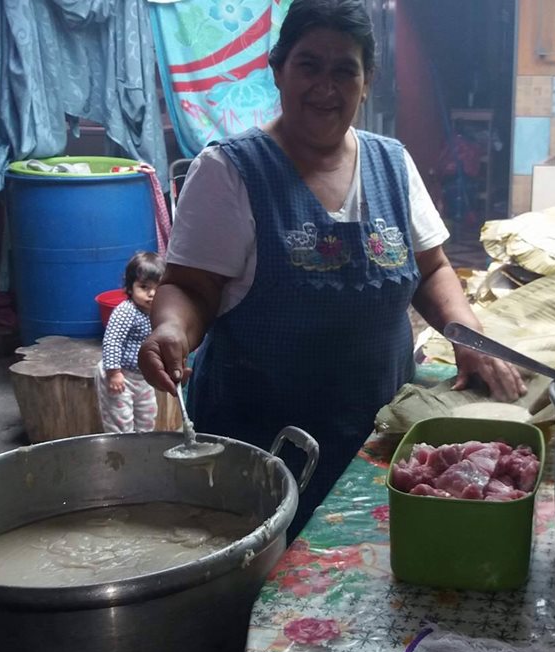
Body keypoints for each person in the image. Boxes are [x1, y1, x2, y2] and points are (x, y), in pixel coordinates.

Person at [139, 0, 525, 541]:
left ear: (367, 81)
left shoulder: (392, 163)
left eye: (345, 68)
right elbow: (189, 286)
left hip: (375, 441)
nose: (326, 85)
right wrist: (171, 328)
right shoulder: (229, 171)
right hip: (264, 449)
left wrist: (468, 338)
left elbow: (432, 267)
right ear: (278, 71)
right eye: (308, 65)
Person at [97, 251, 165, 433]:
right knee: (121, 421)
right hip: (121, 375)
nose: (151, 294)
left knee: (147, 418)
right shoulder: (127, 311)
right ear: (130, 287)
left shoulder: (157, 312)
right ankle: (121, 453)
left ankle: (142, 450)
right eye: (144, 287)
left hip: (143, 377)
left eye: (156, 288)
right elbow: (112, 341)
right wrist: (113, 373)